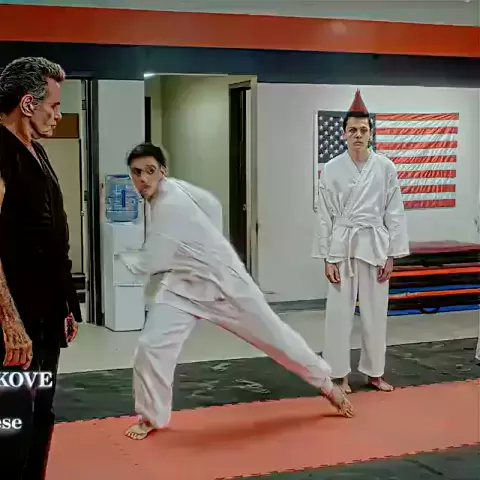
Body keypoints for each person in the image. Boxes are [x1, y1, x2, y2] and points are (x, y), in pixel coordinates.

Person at [116, 142, 355, 440]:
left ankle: (328, 386)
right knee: (151, 346)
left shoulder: (170, 204)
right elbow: (212, 205)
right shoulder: (176, 190)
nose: (143, 179)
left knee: (275, 337)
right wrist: (205, 241)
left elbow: (153, 260)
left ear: (162, 172)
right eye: (137, 172)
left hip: (225, 285)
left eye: (150, 171)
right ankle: (151, 417)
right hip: (183, 285)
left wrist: (124, 258)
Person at [0, 57, 81, 479]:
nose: (58, 115)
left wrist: (66, 305)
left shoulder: (38, 151)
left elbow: (50, 237)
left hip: (46, 322)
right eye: (54, 105)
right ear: (28, 103)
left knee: (40, 412)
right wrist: (9, 321)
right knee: (11, 423)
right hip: (14, 325)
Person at [312, 90, 410, 394]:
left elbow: (394, 212)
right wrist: (328, 257)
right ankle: (338, 374)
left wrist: (392, 254)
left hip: (375, 245)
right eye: (352, 129)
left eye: (363, 130)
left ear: (371, 133)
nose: (358, 135)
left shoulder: (385, 167)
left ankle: (374, 372)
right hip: (342, 245)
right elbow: (324, 215)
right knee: (338, 316)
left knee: (375, 314)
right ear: (343, 134)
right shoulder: (331, 169)